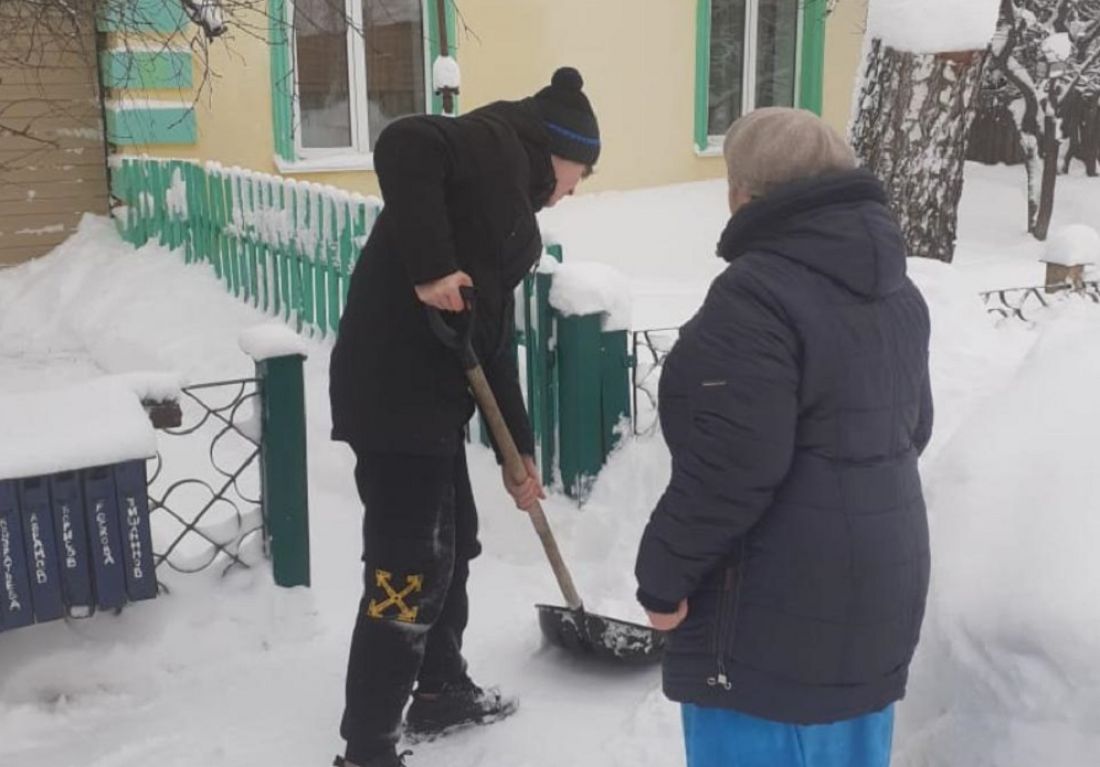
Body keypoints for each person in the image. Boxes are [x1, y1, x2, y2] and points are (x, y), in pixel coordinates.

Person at [634, 107, 934, 767]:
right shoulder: (898, 293)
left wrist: (663, 574)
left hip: (773, 617)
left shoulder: (756, 295)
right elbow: (914, 428)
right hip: (880, 593)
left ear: (745, 192)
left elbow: (733, 466)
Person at [328, 68, 600, 767]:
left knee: (458, 539)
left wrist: (522, 450)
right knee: (408, 565)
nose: (575, 190)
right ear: (563, 153)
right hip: (393, 396)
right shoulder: (497, 144)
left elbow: (489, 338)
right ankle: (367, 749)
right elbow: (405, 143)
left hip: (428, 400)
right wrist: (431, 266)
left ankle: (441, 686)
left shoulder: (508, 203)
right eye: (582, 174)